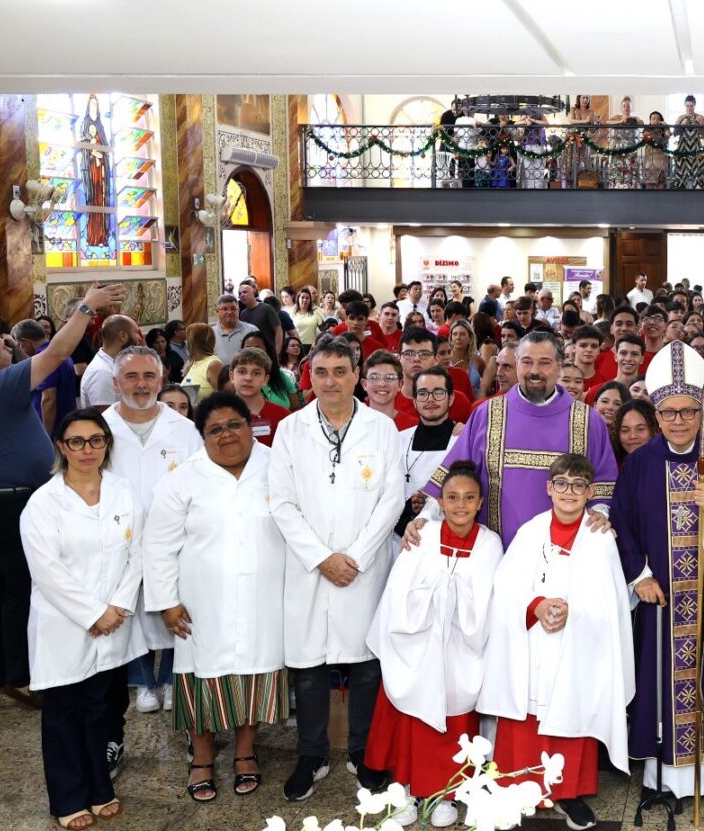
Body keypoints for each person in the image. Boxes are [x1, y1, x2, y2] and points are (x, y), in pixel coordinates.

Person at [612, 341, 704, 807]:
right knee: (659, 682)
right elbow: (621, 524)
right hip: (660, 599)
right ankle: (660, 779)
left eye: (688, 411)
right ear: (656, 415)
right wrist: (640, 577)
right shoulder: (639, 464)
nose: (678, 420)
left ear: (702, 410)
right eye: (669, 412)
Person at [268, 333, 405, 800]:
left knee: (366, 663)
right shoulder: (291, 429)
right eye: (320, 372)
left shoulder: (381, 429)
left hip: (364, 565)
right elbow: (281, 503)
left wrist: (358, 556)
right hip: (311, 566)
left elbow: (391, 500)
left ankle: (363, 753)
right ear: (309, 375)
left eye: (340, 372)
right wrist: (322, 558)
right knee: (309, 665)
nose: (330, 381)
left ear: (356, 375)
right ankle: (312, 754)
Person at [142, 392, 287, 803]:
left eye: (235, 424)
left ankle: (245, 753)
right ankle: (202, 758)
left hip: (264, 598)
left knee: (254, 674)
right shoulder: (182, 479)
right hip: (200, 602)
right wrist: (167, 603)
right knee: (201, 677)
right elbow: (157, 546)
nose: (227, 435)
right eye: (215, 429)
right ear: (202, 436)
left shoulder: (277, 466)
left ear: (250, 424)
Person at [483, 454, 634, 831]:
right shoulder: (531, 531)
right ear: (549, 488)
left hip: (578, 645)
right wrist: (536, 606)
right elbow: (505, 587)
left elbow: (611, 602)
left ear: (590, 492)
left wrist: (573, 611)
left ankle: (569, 793)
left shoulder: (600, 538)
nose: (569, 491)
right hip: (532, 641)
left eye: (578, 485)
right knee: (528, 708)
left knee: (573, 707)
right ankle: (518, 786)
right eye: (561, 484)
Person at [22, 408, 144, 829]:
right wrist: (94, 613)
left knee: (99, 708)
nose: (87, 449)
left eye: (96, 440)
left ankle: (99, 789)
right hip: (64, 623)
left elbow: (138, 553)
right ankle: (69, 798)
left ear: (107, 445)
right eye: (76, 441)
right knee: (62, 712)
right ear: (61, 446)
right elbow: (47, 571)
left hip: (114, 619)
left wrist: (119, 607)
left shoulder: (123, 492)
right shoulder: (43, 503)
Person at [366, 460, 503, 829]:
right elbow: (400, 589)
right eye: (453, 497)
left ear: (480, 502)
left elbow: (491, 599)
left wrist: (454, 594)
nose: (460, 505)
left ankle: (445, 791)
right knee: (411, 710)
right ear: (440, 501)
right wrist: (437, 594)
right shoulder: (423, 534)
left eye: (469, 498)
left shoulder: (490, 543)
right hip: (419, 642)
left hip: (461, 648)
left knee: (455, 715)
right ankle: (405, 787)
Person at [416, 331, 619, 547]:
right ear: (517, 363)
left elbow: (604, 484)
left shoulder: (588, 421)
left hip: (565, 554)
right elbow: (452, 475)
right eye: (527, 362)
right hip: (495, 549)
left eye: (544, 363)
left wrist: (599, 512)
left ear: (560, 365)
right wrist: (426, 517)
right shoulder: (487, 414)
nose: (534, 371)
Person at [101, 345, 204, 717]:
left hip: (174, 542)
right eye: (131, 376)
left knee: (176, 610)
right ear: (116, 383)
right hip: (118, 542)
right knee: (128, 616)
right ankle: (144, 681)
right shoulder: (100, 429)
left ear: (161, 380)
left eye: (148, 376)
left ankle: (173, 681)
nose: (140, 385)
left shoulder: (185, 430)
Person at [393, 367, 462, 543]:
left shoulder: (461, 441)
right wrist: (410, 505)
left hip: (440, 537)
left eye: (438, 392)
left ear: (451, 398)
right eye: (423, 393)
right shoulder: (398, 440)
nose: (430, 399)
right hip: (394, 534)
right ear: (414, 401)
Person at [228, 347, 289, 447]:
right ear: (231, 376)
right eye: (242, 371)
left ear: (265, 379)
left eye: (256, 373)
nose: (248, 378)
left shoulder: (282, 417)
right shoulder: (216, 416)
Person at [79, 314, 141, 409]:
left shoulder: (115, 364)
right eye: (136, 332)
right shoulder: (102, 373)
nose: (139, 338)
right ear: (123, 336)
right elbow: (105, 419)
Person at [211, 295, 258, 367]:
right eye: (225, 309)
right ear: (217, 311)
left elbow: (259, 357)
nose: (229, 312)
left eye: (233, 308)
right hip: (218, 376)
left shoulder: (252, 330)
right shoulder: (210, 333)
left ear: (238, 311)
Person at [182, 323, 222, 402]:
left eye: (187, 339)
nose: (186, 342)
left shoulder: (213, 364)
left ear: (193, 342)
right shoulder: (193, 362)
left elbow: (224, 397)